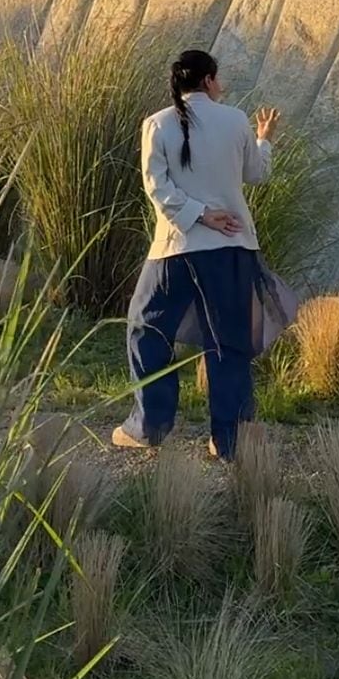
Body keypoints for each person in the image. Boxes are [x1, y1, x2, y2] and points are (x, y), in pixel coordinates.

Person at [112, 50, 281, 461]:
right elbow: (256, 174)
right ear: (208, 80)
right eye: (217, 78)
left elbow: (157, 188)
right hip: (233, 250)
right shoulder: (237, 120)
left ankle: (149, 425)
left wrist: (199, 215)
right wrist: (264, 140)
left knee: (146, 329)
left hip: (175, 248)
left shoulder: (156, 124)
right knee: (228, 343)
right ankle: (230, 441)